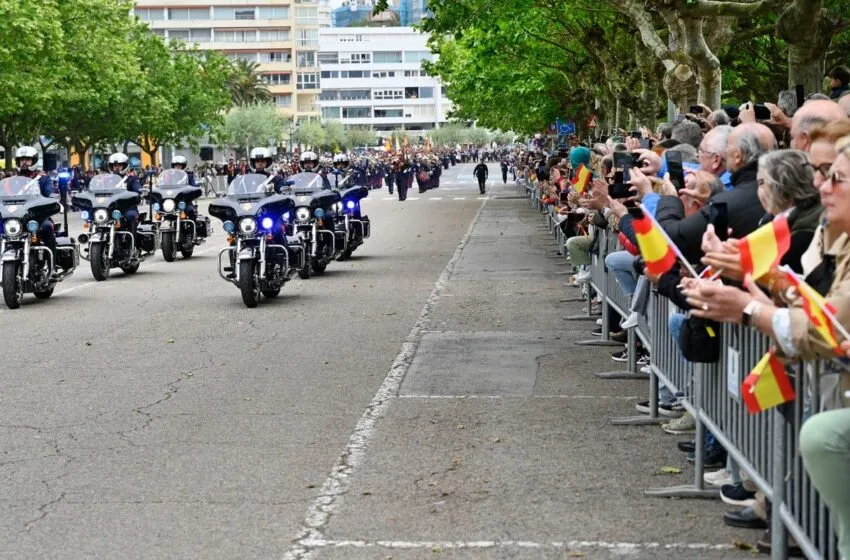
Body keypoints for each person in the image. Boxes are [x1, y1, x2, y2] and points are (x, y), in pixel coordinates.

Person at [13, 146, 56, 257]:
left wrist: (52, 197)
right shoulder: (12, 180)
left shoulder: (43, 178)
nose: (24, 162)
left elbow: (49, 192)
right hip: (16, 216)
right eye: (21, 160)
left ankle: (53, 261)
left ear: (34, 161)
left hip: (38, 216)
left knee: (47, 227)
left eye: (27, 159)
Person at [106, 153, 141, 245]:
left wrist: (139, 192)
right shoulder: (107, 180)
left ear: (125, 166)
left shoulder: (131, 179)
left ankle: (133, 244)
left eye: (119, 165)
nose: (116, 168)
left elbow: (137, 189)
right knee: (96, 218)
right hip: (110, 209)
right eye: (114, 165)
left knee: (131, 216)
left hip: (128, 208)